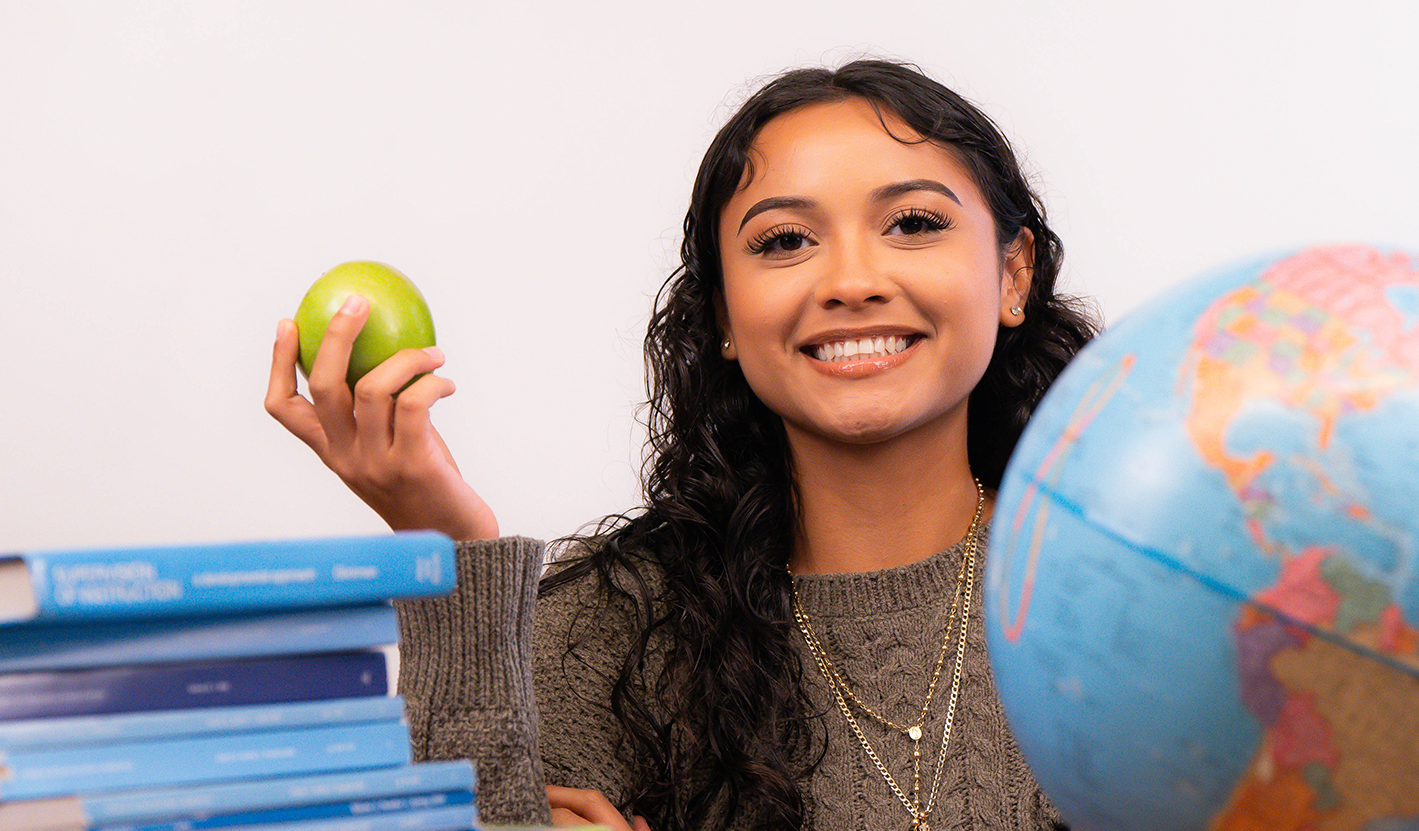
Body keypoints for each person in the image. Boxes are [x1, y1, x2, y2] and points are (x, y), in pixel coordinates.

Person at [266, 59, 1096, 831]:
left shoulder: (1148, 590)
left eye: (912, 223)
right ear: (726, 315)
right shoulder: (604, 631)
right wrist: (441, 540)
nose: (851, 281)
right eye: (784, 241)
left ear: (1013, 274)